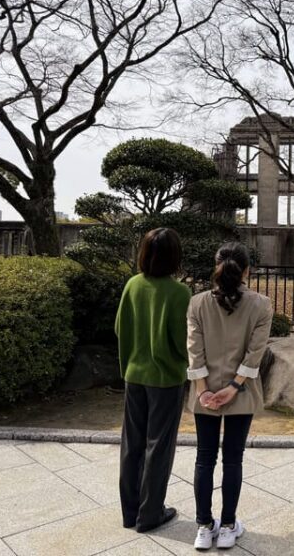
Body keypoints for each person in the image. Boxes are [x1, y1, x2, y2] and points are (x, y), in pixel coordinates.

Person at [187, 242, 272, 550]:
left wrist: (203, 392)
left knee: (204, 458)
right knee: (233, 458)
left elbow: (194, 352)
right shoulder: (261, 304)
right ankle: (226, 527)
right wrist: (234, 387)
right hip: (242, 392)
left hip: (204, 393)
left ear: (216, 265)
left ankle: (203, 526)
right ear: (247, 270)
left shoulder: (197, 303)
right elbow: (255, 353)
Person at [115, 227, 191, 532]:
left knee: (131, 444)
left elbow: (121, 328)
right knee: (158, 446)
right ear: (175, 257)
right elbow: (184, 340)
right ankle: (150, 514)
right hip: (167, 379)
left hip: (134, 374)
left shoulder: (132, 285)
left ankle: (129, 512)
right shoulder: (179, 292)